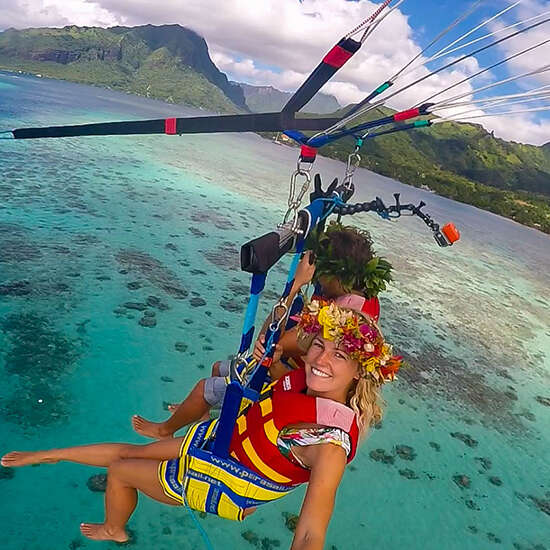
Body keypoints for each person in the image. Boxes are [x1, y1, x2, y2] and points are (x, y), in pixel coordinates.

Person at [1, 299, 402, 549]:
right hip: (219, 443)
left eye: (340, 356)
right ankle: (48, 455)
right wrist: (289, 303)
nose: (321, 359)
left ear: (360, 372)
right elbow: (279, 342)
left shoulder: (328, 445)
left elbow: (311, 533)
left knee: (121, 470)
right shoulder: (300, 377)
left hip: (226, 481)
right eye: (320, 345)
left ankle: (114, 529)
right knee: (130, 453)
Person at [132, 222, 393, 440]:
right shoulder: (362, 302)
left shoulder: (339, 320)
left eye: (319, 271)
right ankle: (198, 414)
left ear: (335, 275)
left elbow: (271, 339)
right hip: (303, 371)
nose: (316, 278)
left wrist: (295, 286)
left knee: (204, 387)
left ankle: (165, 430)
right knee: (217, 368)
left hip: (294, 381)